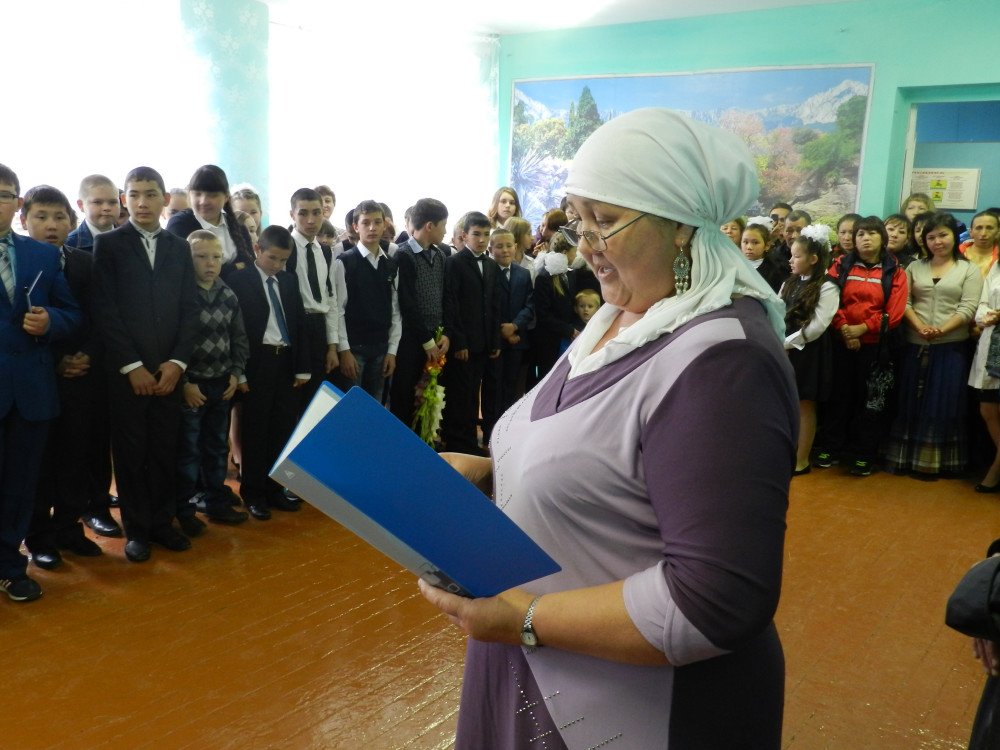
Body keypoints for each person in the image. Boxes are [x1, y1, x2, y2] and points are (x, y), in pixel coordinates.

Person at [419, 108, 796, 749]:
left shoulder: (723, 362)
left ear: (681, 224)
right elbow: (599, 458)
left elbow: (716, 602)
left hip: (635, 707)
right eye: (578, 218)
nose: (586, 241)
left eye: (606, 220)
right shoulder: (619, 317)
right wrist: (492, 473)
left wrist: (526, 618)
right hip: (544, 666)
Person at [92, 167, 201, 563]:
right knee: (131, 453)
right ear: (125, 199)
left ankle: (161, 523)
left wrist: (177, 363)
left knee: (164, 450)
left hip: (168, 372)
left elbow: (190, 309)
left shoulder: (179, 247)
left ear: (165, 200)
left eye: (151, 194)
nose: (142, 202)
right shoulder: (109, 245)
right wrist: (131, 366)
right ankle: (137, 530)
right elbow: (105, 310)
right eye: (134, 194)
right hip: (128, 374)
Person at [0, 169, 81, 600]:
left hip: (31, 391)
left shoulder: (42, 256)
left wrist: (51, 321)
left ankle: (11, 567)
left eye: (4, 195)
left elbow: (72, 313)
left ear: (17, 204)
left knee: (21, 485)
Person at [18, 186, 97, 572]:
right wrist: (56, 363)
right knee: (39, 462)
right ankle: (39, 537)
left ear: (72, 221)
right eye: (42, 217)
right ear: (24, 220)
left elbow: (100, 316)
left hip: (81, 377)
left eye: (59, 217)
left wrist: (87, 356)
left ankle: (69, 527)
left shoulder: (85, 263)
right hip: (37, 377)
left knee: (75, 456)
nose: (51, 225)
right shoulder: (19, 263)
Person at [883, 213, 982, 478]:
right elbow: (904, 302)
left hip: (951, 346)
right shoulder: (914, 267)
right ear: (924, 241)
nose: (938, 241)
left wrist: (942, 330)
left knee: (944, 404)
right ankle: (905, 459)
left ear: (954, 236)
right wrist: (919, 327)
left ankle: (936, 463)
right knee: (910, 403)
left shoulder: (969, 269)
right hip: (914, 344)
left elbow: (968, 306)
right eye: (931, 237)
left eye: (943, 235)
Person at [226, 226, 310, 521]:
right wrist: (240, 372)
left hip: (285, 360)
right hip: (256, 362)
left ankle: (275, 489)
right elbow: (234, 330)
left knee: (283, 428)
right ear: (257, 250)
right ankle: (253, 493)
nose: (277, 265)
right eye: (272, 258)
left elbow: (299, 324)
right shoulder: (239, 280)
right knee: (255, 429)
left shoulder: (288, 280)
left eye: (283, 260)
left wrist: (302, 366)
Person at [814, 216, 908, 477]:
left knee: (871, 402)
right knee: (839, 397)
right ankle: (830, 448)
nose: (866, 239)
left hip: (876, 348)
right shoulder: (840, 265)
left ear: (882, 238)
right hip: (842, 343)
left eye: (872, 233)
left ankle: (864, 454)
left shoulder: (895, 271)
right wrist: (845, 328)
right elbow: (829, 301)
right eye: (861, 234)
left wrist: (864, 328)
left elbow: (894, 313)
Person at [174, 231, 250, 534]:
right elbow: (171, 343)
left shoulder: (228, 294)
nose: (210, 263)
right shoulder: (181, 295)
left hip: (221, 383)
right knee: (188, 451)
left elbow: (239, 338)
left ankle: (216, 501)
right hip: (192, 387)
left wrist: (235, 373)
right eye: (201, 256)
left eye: (216, 257)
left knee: (217, 447)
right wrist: (184, 382)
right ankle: (184, 509)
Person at [65, 175, 121, 538]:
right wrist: (83, 352)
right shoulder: (71, 245)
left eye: (111, 201)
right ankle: (91, 507)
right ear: (81, 205)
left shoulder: (126, 243)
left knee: (108, 436)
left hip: (120, 355)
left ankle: (101, 495)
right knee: (85, 439)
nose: (105, 208)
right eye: (97, 202)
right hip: (83, 357)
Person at [780, 225, 839, 475]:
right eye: (791, 255)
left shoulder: (827, 286)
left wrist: (787, 343)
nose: (791, 260)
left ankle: (801, 460)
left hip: (808, 352)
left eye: (797, 256)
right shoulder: (789, 282)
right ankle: (784, 453)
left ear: (813, 259)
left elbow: (817, 326)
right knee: (785, 402)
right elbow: (776, 311)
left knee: (805, 405)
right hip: (784, 349)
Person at [441, 211, 501, 454]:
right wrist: (459, 342)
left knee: (474, 393)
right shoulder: (454, 263)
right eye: (476, 234)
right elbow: (451, 304)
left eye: (486, 234)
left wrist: (495, 340)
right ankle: (458, 442)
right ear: (464, 235)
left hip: (484, 341)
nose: (482, 239)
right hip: (464, 341)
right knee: (460, 394)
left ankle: (469, 441)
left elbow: (494, 305)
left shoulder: (491, 264)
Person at [390, 198, 451, 431]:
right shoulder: (404, 255)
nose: (445, 231)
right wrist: (427, 341)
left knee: (429, 396)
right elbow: (407, 303)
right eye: (443, 225)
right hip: (411, 340)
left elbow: (445, 297)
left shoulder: (440, 255)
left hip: (436, 338)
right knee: (405, 394)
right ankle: (401, 444)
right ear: (429, 226)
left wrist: (445, 333)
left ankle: (423, 442)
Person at [332, 200, 401, 399]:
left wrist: (392, 351)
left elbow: (395, 310)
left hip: (381, 348)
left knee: (374, 407)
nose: (372, 228)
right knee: (351, 407)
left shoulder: (390, 264)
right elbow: (338, 309)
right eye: (366, 222)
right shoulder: (345, 262)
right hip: (354, 349)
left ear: (384, 225)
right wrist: (344, 350)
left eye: (377, 222)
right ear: (356, 227)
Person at [284, 188, 339, 414]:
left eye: (316, 213)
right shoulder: (285, 248)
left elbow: (331, 299)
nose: (310, 220)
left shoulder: (325, 251)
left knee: (315, 403)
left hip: (318, 328)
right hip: (293, 327)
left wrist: (332, 346)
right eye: (303, 213)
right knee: (291, 401)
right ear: (292, 215)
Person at [481, 227, 533, 444]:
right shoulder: (487, 272)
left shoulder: (523, 273)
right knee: (492, 386)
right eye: (499, 246)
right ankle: (489, 433)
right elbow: (485, 307)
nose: (505, 250)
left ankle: (507, 434)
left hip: (517, 340)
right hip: (494, 342)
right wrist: (501, 332)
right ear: (490, 249)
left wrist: (515, 326)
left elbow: (530, 305)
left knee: (511, 387)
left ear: (516, 247)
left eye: (509, 245)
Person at [165, 165, 255, 278]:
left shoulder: (238, 226)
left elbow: (250, 267)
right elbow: (181, 271)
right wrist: (234, 268)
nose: (203, 201)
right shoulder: (180, 224)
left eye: (212, 195)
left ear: (226, 197)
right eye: (197, 194)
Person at [968, 260, 1000, 492]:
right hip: (992, 340)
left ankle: (996, 469)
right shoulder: (997, 265)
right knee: (987, 409)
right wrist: (986, 316)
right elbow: (984, 302)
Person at [67, 174, 120, 254]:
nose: (107, 208)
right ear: (81, 205)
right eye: (97, 202)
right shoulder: (69, 245)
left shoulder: (131, 239)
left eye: (113, 202)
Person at [742, 217, 784, 292]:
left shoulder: (775, 272)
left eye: (755, 243)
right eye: (745, 242)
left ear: (767, 246)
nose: (749, 247)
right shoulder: (735, 266)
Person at [960, 210, 1000, 278]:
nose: (983, 233)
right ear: (970, 232)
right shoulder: (955, 252)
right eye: (979, 228)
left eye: (989, 228)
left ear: (998, 232)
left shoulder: (999, 256)